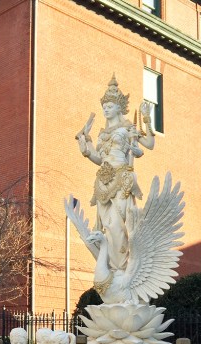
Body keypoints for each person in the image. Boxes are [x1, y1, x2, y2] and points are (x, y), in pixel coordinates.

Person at [76, 75, 155, 272]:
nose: (106, 108)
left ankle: (123, 269)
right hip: (102, 182)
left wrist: (147, 119)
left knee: (119, 225)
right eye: (104, 105)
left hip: (121, 178)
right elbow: (98, 159)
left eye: (110, 105)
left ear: (119, 107)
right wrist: (84, 145)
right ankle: (111, 269)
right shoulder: (102, 134)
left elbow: (149, 145)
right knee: (107, 227)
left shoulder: (128, 127)